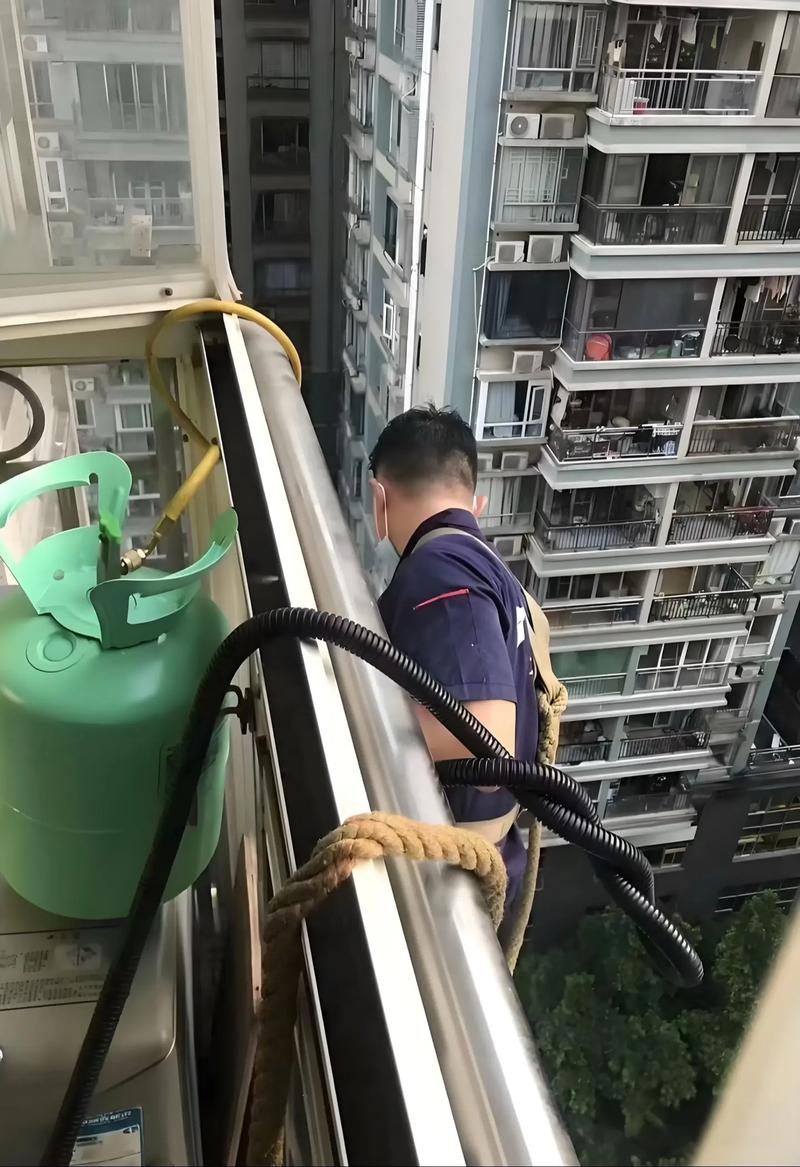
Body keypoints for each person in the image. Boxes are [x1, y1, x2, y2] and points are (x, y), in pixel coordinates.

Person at [369, 404, 537, 917]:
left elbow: (483, 735)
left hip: (449, 879)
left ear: (379, 499)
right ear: (475, 502)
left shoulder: (441, 568)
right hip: (484, 862)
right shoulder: (489, 568)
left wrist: (351, 717)